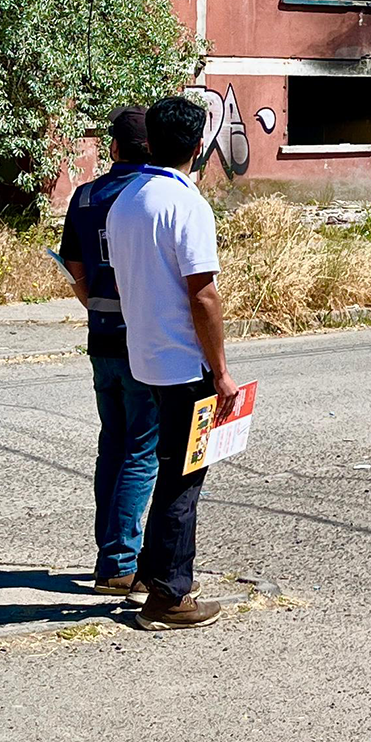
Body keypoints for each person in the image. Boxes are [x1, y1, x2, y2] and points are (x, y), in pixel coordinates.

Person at [104, 94, 242, 632]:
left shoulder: (126, 200)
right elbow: (202, 293)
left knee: (166, 465)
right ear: (199, 143)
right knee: (185, 477)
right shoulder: (187, 205)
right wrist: (223, 371)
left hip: (145, 358)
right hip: (186, 364)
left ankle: (147, 571)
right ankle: (169, 595)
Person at [58, 107, 161, 600]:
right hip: (144, 342)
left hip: (101, 336)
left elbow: (74, 268)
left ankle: (110, 555)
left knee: (114, 446)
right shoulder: (152, 195)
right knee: (143, 451)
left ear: (114, 148)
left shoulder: (85, 196)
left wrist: (99, 303)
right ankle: (120, 562)